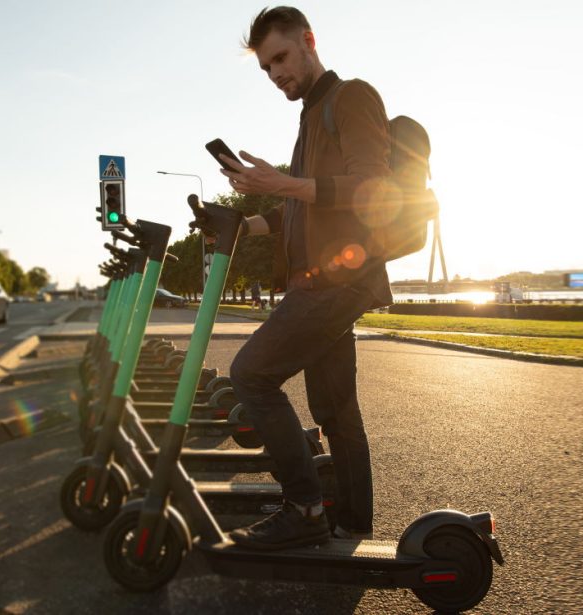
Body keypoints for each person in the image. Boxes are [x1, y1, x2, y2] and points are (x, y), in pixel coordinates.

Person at [206, 6, 393, 550]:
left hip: (337, 280)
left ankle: (306, 508)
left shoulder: (351, 97)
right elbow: (301, 208)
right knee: (335, 410)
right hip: (324, 280)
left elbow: (369, 188)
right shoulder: (311, 115)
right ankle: (353, 522)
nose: (276, 74)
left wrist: (284, 183)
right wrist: (243, 224)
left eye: (281, 58)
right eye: (267, 68)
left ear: (309, 41)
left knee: (252, 375)